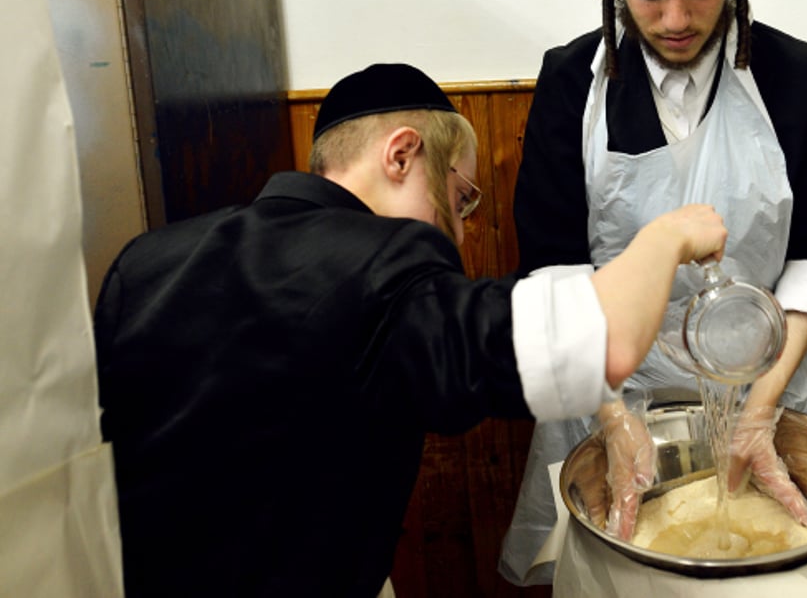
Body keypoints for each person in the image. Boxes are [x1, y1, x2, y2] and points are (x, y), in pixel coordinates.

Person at [92, 62, 727, 598]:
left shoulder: (143, 263)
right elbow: (600, 340)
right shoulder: (385, 263)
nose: (461, 225)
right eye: (461, 197)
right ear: (402, 154)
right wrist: (667, 237)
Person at [499, 0, 807, 585]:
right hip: (610, 401)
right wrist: (612, 423)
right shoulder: (573, 83)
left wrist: (759, 414)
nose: (674, 18)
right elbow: (556, 267)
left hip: (766, 393)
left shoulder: (792, 75)